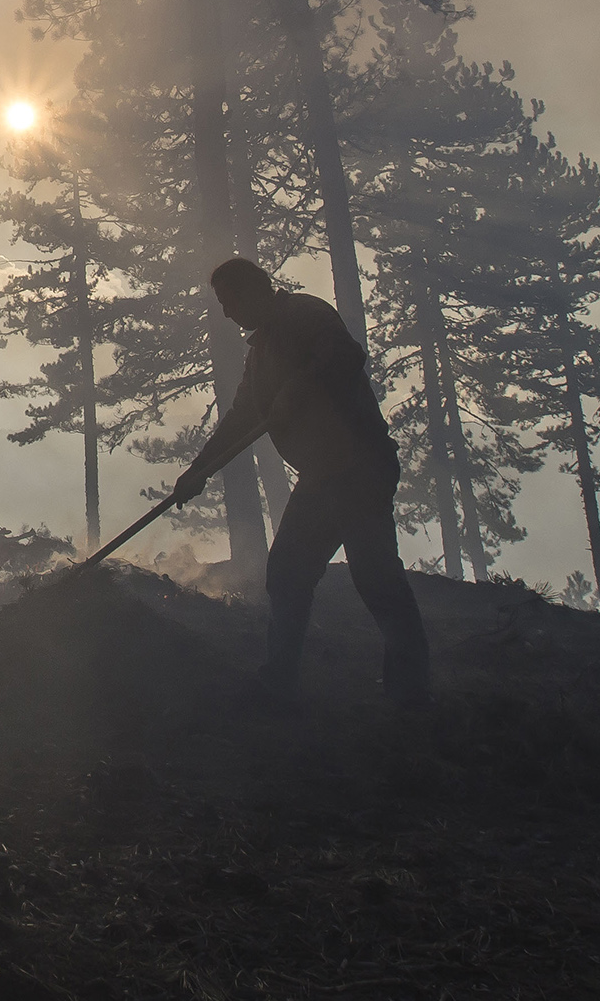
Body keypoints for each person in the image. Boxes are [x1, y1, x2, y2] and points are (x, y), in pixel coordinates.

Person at [168, 257, 430, 705]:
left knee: (377, 578)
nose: (227, 314)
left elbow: (347, 355)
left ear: (254, 290)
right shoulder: (259, 355)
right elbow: (241, 419)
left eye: (229, 302)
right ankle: (279, 683)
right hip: (321, 479)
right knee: (288, 574)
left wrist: (297, 387)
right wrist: (198, 471)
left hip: (361, 469)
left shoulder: (306, 313)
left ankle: (411, 692)